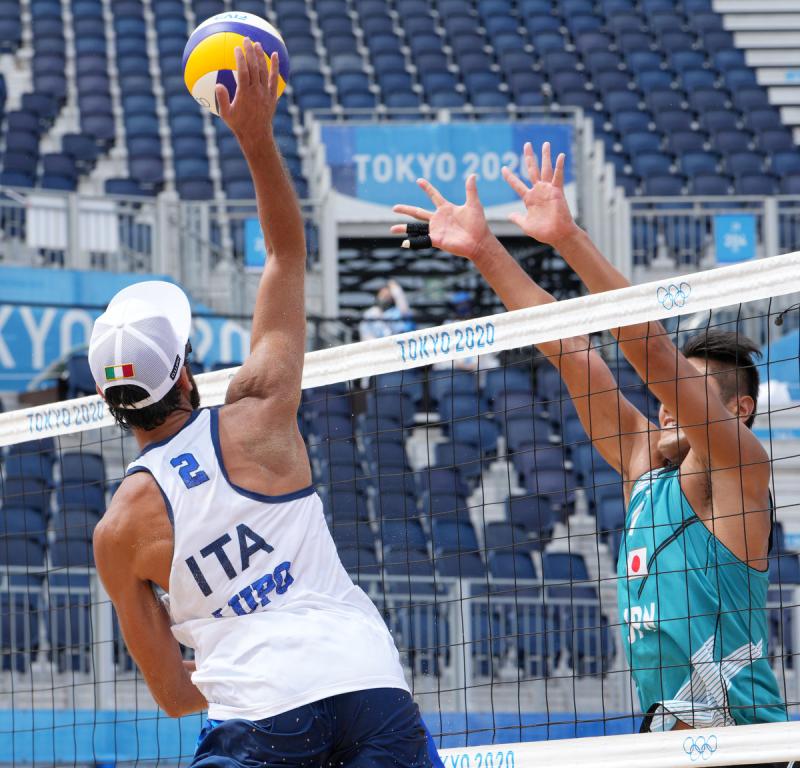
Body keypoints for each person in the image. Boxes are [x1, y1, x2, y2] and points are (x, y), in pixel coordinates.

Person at [91, 39, 442, 768]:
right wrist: (255, 139)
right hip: (368, 679)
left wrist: (234, 658)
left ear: (111, 405)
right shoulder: (255, 412)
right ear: (186, 377)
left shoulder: (119, 529)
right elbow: (286, 254)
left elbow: (172, 694)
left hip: (260, 711)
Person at [392, 143, 788, 738]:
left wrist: (570, 238)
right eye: (670, 390)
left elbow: (651, 353)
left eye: (688, 389)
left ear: (738, 409)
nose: (665, 400)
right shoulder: (640, 461)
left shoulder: (739, 470)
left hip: (746, 741)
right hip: (665, 741)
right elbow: (568, 349)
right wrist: (485, 250)